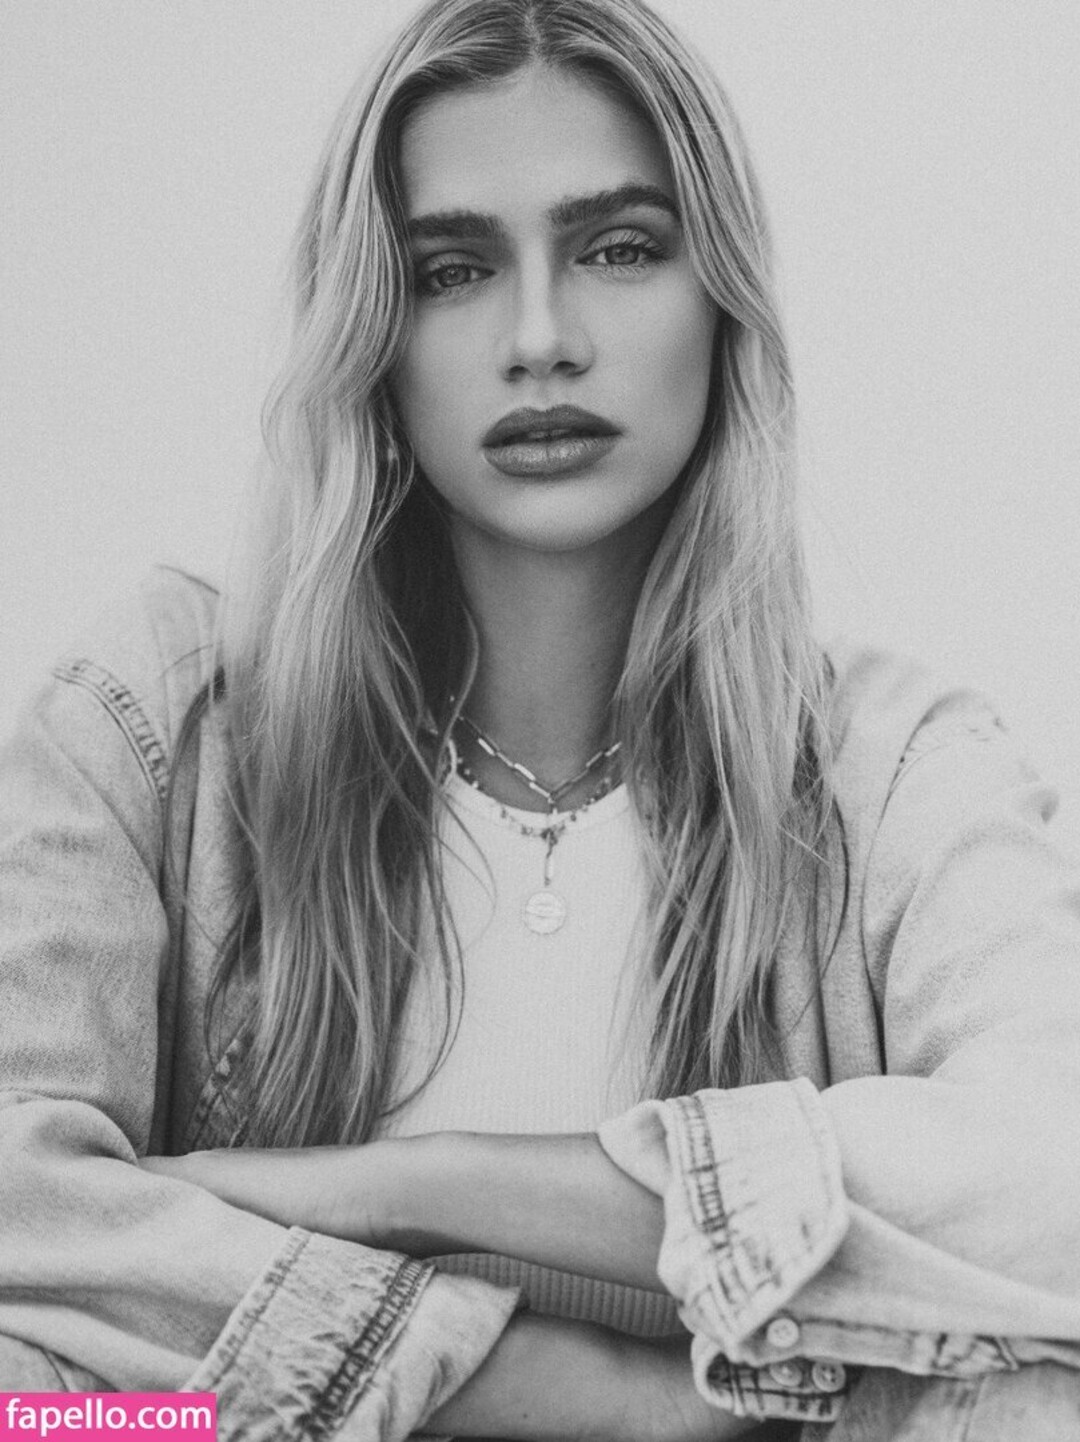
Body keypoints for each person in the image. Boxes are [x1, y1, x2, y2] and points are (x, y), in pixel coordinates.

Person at [1, 0, 1079, 1437]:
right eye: (451, 272)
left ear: (723, 296)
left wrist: (416, 1186)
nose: (540, 339)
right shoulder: (157, 723)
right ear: (373, 335)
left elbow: (1055, 1180)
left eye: (618, 248)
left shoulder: (891, 769)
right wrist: (585, 1391)